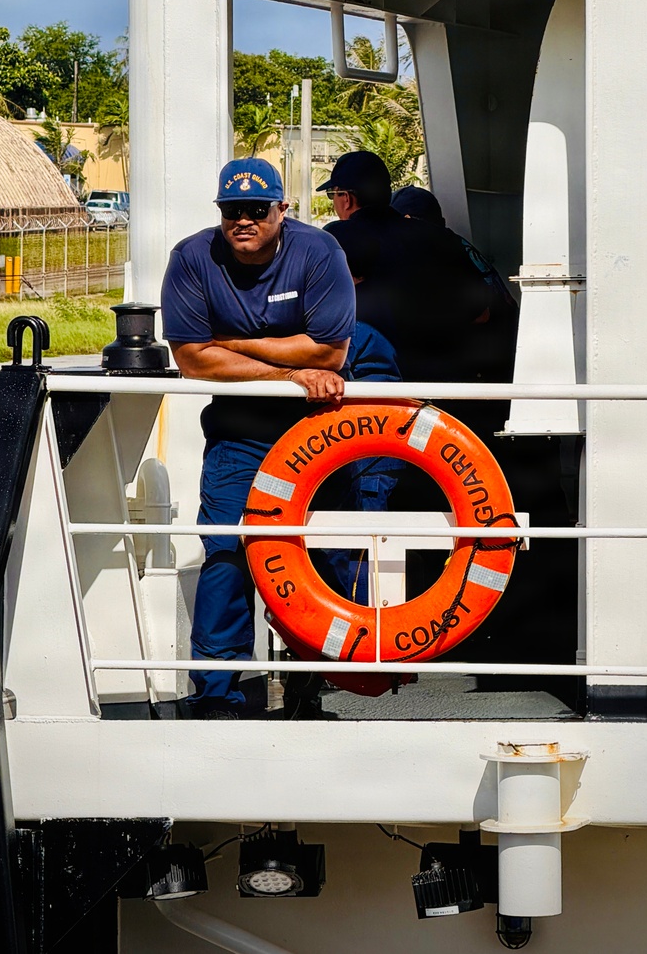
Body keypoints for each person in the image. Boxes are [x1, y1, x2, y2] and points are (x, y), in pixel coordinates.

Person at [161, 158, 355, 719]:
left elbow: (329, 352)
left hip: (319, 430)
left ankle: (312, 680)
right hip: (238, 435)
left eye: (256, 209)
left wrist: (231, 342)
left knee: (322, 553)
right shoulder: (193, 257)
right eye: (231, 211)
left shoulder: (318, 252)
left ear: (281, 210)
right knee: (225, 551)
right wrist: (289, 372)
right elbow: (193, 360)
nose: (243, 220)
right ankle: (216, 691)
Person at [318, 151, 491, 382]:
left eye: (333, 194)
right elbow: (482, 314)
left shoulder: (337, 240)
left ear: (346, 198)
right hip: (448, 384)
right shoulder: (441, 237)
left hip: (378, 386)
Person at [390, 183, 518, 384]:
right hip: (505, 357)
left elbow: (480, 314)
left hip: (484, 368)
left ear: (407, 222)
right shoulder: (456, 244)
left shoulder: (434, 251)